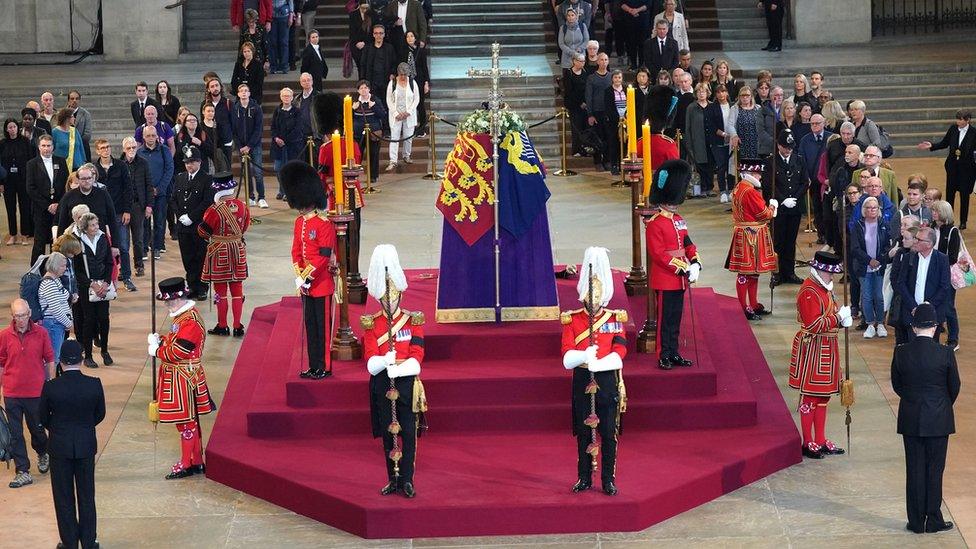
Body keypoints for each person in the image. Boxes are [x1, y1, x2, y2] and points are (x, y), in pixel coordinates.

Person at [560, 247, 627, 496]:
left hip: (606, 379)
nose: (594, 300)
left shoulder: (615, 318)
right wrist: (582, 356)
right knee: (583, 433)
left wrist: (599, 363)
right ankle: (584, 477)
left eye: (597, 296)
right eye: (590, 296)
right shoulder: (572, 320)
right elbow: (566, 355)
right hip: (581, 378)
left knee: (608, 433)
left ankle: (608, 479)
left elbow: (621, 352)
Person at [361, 244, 426, 498]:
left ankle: (407, 479)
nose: (390, 302)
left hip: (406, 383)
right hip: (381, 383)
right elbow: (369, 360)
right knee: (388, 433)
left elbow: (417, 357)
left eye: (394, 297)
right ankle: (392, 479)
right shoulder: (372, 324)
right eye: (386, 298)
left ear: (401, 295)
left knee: (408, 432)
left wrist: (396, 367)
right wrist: (383, 361)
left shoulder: (412, 321)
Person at [890, 302, 960, 534]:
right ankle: (934, 518)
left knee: (914, 469)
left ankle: (916, 521)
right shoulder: (945, 353)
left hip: (911, 417)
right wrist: (940, 404)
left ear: (913, 327)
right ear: (934, 328)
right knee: (934, 469)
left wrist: (913, 400)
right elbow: (954, 387)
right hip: (939, 418)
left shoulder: (901, 352)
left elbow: (897, 385)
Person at [38, 339, 104, 549]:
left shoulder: (51, 387)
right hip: (85, 445)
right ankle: (88, 541)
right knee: (87, 496)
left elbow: (43, 417)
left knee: (63, 497)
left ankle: (69, 542)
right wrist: (85, 427)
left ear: (61, 362)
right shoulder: (94, 384)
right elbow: (99, 414)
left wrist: (58, 429)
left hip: (60, 446)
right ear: (82, 359)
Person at [148, 276, 215, 479]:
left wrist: (158, 350)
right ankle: (196, 460)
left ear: (182, 297)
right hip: (181, 375)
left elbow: (178, 352)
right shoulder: (182, 317)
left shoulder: (190, 321)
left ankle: (187, 463)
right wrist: (162, 340)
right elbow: (175, 341)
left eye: (171, 301)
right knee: (189, 421)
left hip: (184, 376)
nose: (168, 304)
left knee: (186, 422)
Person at [789, 251, 850, 459]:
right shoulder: (809, 291)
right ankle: (808, 441)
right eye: (830, 274)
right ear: (821, 270)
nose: (832, 277)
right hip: (813, 349)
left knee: (823, 397)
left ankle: (821, 439)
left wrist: (841, 321)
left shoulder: (824, 289)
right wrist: (837, 319)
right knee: (810, 397)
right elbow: (813, 324)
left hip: (827, 348)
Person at [281, 160, 337, 379]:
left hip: (321, 284)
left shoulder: (324, 224)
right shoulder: (299, 223)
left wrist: (307, 276)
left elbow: (323, 257)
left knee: (322, 330)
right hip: (306, 285)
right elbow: (296, 251)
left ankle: (323, 366)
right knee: (310, 328)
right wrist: (299, 275)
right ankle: (313, 365)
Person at [646, 160, 700, 369]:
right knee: (665, 321)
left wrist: (695, 261)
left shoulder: (678, 219)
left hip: (679, 280)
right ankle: (663, 354)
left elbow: (687, 242)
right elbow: (658, 254)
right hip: (666, 278)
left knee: (676, 320)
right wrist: (682, 266)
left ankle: (674, 352)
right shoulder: (655, 223)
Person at [0, 298, 55, 488]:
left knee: (37, 429)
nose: (20, 319)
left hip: (35, 392)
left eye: (23, 315)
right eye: (17, 316)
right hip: (12, 392)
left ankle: (42, 452)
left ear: (30, 314)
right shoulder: (5, 335)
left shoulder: (41, 333)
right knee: (15, 433)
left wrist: (50, 384)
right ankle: (22, 470)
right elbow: (1, 362)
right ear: (12, 316)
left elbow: (49, 359)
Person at [199, 173, 250, 336]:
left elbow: (202, 231)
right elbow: (245, 227)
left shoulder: (213, 210)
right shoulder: (243, 206)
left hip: (219, 252)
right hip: (237, 250)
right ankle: (237, 326)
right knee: (237, 290)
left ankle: (222, 325)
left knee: (220, 292)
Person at [725, 161, 778, 319]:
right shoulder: (750, 191)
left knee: (752, 272)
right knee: (746, 272)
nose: (760, 177)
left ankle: (753, 304)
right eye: (757, 174)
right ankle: (744, 306)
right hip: (752, 235)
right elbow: (764, 214)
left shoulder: (739, 187)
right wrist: (772, 207)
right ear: (751, 174)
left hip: (745, 232)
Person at [917, 110, 975, 229]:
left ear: (968, 120)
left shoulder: (974, 132)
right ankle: (949, 218)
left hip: (967, 169)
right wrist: (932, 146)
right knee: (950, 194)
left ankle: (963, 221)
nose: (958, 121)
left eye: (961, 119)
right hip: (953, 167)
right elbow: (944, 143)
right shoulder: (953, 129)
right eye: (957, 119)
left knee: (964, 196)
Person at [93, 139, 136, 291]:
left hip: (118, 213)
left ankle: (127, 277)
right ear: (97, 151)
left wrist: (127, 210)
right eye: (102, 148)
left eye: (108, 147)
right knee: (101, 248)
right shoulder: (94, 168)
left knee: (123, 246)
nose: (106, 150)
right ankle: (104, 278)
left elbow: (128, 189)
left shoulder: (121, 166)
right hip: (100, 216)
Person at [173, 147, 215, 301]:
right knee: (188, 257)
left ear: (199, 162)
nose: (189, 165)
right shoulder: (180, 178)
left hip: (198, 225)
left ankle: (202, 287)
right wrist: (180, 216)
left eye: (192, 162)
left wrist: (191, 216)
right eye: (186, 162)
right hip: (184, 226)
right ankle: (191, 286)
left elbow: (207, 202)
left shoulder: (206, 179)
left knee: (201, 257)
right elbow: (173, 199)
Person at [895, 226, 951, 338]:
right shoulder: (908, 257)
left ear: (929, 244)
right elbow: (901, 283)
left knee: (931, 351)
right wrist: (913, 306)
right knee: (911, 348)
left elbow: (944, 286)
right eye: (915, 238)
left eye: (919, 240)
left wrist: (927, 307)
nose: (915, 241)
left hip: (933, 313)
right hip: (911, 312)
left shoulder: (942, 259)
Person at [74, 212, 114, 368]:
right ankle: (88, 355)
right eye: (93, 225)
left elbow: (109, 262)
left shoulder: (103, 238)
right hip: (86, 287)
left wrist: (106, 282)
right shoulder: (78, 241)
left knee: (104, 319)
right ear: (85, 227)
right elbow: (77, 270)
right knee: (89, 320)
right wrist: (91, 284)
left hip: (103, 286)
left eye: (97, 224)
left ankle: (104, 350)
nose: (96, 227)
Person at [769, 129, 808, 286]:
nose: (788, 150)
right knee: (778, 241)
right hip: (779, 207)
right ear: (779, 145)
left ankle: (789, 272)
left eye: (790, 147)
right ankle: (777, 273)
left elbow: (804, 182)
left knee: (791, 241)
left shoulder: (799, 160)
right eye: (785, 147)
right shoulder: (771, 162)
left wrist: (795, 198)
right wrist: (783, 199)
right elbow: (769, 185)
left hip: (794, 207)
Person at [850, 196, 892, 338]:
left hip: (879, 266)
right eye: (868, 208)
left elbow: (888, 245)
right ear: (864, 210)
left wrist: (879, 260)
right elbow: (855, 248)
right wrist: (869, 260)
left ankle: (880, 323)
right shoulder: (858, 226)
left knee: (879, 296)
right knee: (867, 296)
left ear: (878, 210)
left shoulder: (884, 224)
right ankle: (869, 323)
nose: (871, 210)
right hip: (863, 266)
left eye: (874, 207)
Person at [56, 163, 121, 253]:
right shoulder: (69, 196)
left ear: (93, 178)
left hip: (99, 241)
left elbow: (112, 220)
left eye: (89, 178)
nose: (87, 181)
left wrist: (115, 245)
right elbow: (62, 222)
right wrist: (59, 247)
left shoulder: (103, 194)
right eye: (83, 179)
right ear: (78, 180)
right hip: (76, 244)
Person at [26, 135, 69, 265]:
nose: (46, 148)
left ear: (53, 147)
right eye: (43, 146)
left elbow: (66, 184)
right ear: (39, 147)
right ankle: (34, 274)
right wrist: (47, 205)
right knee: (39, 243)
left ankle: (56, 271)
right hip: (40, 210)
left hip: (58, 210)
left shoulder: (61, 161)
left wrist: (58, 204)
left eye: (48, 145)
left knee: (56, 242)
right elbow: (30, 188)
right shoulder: (31, 164)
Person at [137, 126, 174, 259]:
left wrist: (159, 188)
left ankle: (157, 247)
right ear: (143, 137)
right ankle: (145, 248)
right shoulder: (139, 152)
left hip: (161, 193)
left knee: (159, 221)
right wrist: (147, 190)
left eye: (153, 135)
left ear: (157, 136)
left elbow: (169, 170)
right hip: (145, 194)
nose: (151, 138)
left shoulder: (164, 150)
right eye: (148, 136)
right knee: (144, 222)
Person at [930, 200, 962, 350]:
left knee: (948, 307)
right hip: (932, 274)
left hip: (946, 275)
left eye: (936, 211)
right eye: (933, 211)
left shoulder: (952, 231)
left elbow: (953, 257)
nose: (933, 213)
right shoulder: (931, 228)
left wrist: (937, 261)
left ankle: (953, 339)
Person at [230, 83, 267, 207]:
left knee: (257, 172)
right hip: (241, 146)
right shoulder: (235, 109)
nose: (244, 93)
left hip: (254, 145)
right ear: (239, 94)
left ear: (249, 93)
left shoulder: (256, 108)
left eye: (246, 90)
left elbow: (258, 128)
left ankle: (261, 197)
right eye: (242, 91)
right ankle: (250, 196)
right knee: (246, 172)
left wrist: (249, 145)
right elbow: (234, 130)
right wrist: (240, 146)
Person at [797, 114, 832, 244]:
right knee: (817, 208)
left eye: (817, 123)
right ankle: (821, 235)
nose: (814, 126)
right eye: (812, 123)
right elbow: (801, 159)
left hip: (827, 181)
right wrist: (805, 176)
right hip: (813, 180)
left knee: (828, 209)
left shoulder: (831, 138)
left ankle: (830, 235)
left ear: (824, 123)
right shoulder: (805, 140)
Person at [121, 137, 152, 278]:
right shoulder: (118, 164)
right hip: (122, 208)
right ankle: (124, 268)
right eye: (129, 148)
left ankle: (139, 265)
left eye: (134, 147)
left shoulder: (144, 163)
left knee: (138, 239)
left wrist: (149, 206)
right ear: (124, 150)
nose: (132, 150)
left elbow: (149, 186)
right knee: (123, 241)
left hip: (138, 206)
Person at [1, 118, 35, 245]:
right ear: (6, 129)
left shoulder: (25, 141)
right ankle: (13, 234)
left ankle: (24, 235)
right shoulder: (2, 143)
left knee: (24, 207)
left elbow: (31, 160)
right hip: (8, 180)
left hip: (23, 179)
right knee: (10, 208)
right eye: (9, 127)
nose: (12, 129)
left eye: (14, 127)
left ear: (18, 128)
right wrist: (1, 183)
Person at [727, 86, 774, 172]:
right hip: (742, 144)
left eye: (747, 95)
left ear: (751, 96)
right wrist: (734, 135)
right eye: (742, 95)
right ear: (739, 97)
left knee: (757, 170)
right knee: (743, 170)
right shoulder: (735, 109)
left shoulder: (758, 108)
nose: (745, 97)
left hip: (756, 144)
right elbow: (730, 125)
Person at [386, 63, 420, 171]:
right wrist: (395, 113)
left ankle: (406, 155)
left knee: (408, 137)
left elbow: (416, 99)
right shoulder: (392, 83)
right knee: (394, 137)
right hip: (396, 115)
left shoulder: (412, 82)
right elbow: (388, 100)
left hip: (408, 115)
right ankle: (393, 160)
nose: (403, 77)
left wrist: (409, 112)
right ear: (398, 73)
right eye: (401, 74)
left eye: (405, 74)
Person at [353, 80, 387, 184]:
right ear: (358, 90)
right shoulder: (354, 101)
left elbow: (382, 114)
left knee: (373, 153)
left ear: (369, 89)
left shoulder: (375, 99)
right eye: (361, 88)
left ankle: (373, 176)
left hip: (373, 132)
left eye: (366, 88)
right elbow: (347, 117)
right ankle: (354, 176)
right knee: (357, 154)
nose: (364, 90)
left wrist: (374, 107)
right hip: (358, 132)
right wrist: (352, 109)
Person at [272, 87, 306, 186]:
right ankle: (282, 190)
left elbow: (297, 128)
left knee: (291, 169)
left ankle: (290, 191)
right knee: (278, 168)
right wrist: (276, 138)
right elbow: (273, 127)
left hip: (293, 146)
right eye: (284, 96)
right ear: (281, 97)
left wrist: (285, 140)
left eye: (288, 96)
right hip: (278, 146)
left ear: (292, 98)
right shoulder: (277, 111)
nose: (286, 98)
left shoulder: (297, 111)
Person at [360, 24, 398, 111]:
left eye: (381, 33)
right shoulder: (367, 48)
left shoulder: (389, 48)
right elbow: (363, 65)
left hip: (385, 81)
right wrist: (363, 82)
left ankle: (386, 124)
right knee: (372, 105)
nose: (378, 35)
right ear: (373, 35)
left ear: (384, 34)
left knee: (386, 104)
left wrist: (392, 73)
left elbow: (394, 63)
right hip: (371, 81)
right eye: (376, 33)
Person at [201, 76, 235, 173]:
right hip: (210, 143)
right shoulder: (204, 104)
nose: (215, 88)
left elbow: (234, 123)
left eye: (217, 85)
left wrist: (230, 137)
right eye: (212, 86)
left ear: (220, 87)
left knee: (226, 170)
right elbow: (203, 123)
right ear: (208, 89)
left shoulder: (228, 103)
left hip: (225, 142)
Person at [585, 53, 612, 171]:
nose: (604, 62)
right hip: (596, 112)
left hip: (608, 112)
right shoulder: (591, 78)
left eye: (606, 59)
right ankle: (597, 161)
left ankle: (607, 160)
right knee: (597, 138)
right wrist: (590, 114)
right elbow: (588, 96)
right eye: (601, 59)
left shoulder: (611, 77)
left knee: (608, 137)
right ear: (597, 62)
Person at [602, 70, 627, 176]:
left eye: (619, 77)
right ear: (612, 79)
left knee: (625, 143)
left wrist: (625, 117)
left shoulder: (626, 89)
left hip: (626, 120)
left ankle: (624, 165)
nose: (617, 80)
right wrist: (618, 119)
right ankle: (614, 165)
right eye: (615, 77)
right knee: (614, 144)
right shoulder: (608, 91)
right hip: (613, 122)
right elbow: (609, 107)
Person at [50, 109, 86, 173]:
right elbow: (52, 149)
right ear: (66, 118)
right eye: (72, 116)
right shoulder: (55, 132)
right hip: (62, 166)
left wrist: (84, 162)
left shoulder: (75, 131)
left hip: (77, 166)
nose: (74, 118)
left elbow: (81, 148)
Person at [231, 42, 266, 106]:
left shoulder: (258, 65)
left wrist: (247, 93)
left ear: (252, 51)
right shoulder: (238, 64)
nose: (247, 53)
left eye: (248, 51)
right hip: (240, 95)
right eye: (245, 52)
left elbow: (259, 83)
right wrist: (239, 92)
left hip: (254, 96)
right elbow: (234, 80)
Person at [558, 9, 589, 78]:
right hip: (567, 58)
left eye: (572, 15)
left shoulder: (582, 26)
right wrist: (572, 52)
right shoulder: (563, 28)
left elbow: (586, 40)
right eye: (568, 15)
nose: (570, 17)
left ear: (576, 16)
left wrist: (580, 48)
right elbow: (561, 44)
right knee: (568, 80)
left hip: (580, 57)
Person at [621, 0, 651, 70]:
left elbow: (648, 4)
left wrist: (637, 10)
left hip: (643, 20)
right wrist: (630, 10)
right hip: (628, 19)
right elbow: (622, 4)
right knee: (630, 43)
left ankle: (641, 64)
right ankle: (633, 64)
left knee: (642, 43)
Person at [65, 91, 93, 162]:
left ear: (79, 100)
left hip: (82, 148)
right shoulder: (62, 114)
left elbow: (87, 135)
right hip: (66, 148)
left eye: (77, 98)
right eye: (72, 98)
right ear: (68, 100)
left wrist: (75, 143)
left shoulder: (86, 114)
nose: (74, 100)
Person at [349, 0, 374, 75]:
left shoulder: (372, 14)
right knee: (360, 66)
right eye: (363, 8)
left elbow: (373, 31)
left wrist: (364, 43)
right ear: (359, 6)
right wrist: (357, 43)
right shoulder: (353, 15)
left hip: (369, 43)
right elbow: (352, 31)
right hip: (356, 44)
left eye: (367, 8)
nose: (365, 10)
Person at [268, 0, 294, 74]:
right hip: (271, 17)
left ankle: (284, 66)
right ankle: (273, 66)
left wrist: (291, 16)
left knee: (284, 42)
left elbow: (290, 2)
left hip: (284, 16)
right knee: (272, 42)